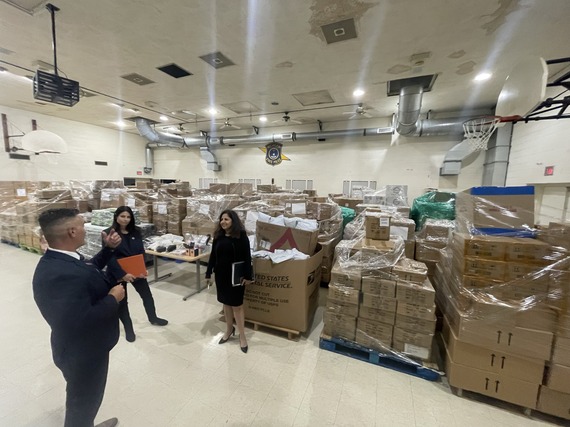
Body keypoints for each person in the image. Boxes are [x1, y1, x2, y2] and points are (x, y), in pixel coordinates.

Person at [32, 208, 125, 427]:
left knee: (85, 400)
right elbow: (81, 320)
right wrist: (113, 298)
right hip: (84, 355)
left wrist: (108, 250)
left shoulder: (62, 260)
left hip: (82, 349)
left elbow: (87, 270)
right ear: (72, 231)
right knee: (82, 405)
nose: (86, 229)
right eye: (83, 225)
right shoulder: (60, 274)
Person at [105, 206, 168, 343]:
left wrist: (143, 268)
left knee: (147, 296)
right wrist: (123, 274)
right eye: (122, 216)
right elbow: (109, 257)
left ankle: (153, 318)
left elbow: (140, 251)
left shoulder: (136, 232)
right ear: (116, 217)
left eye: (128, 217)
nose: (125, 219)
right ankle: (129, 329)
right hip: (118, 273)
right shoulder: (108, 233)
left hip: (136, 270)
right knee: (122, 302)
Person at [205, 209, 253, 353]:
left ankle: (242, 336)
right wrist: (208, 273)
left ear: (233, 221)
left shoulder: (241, 236)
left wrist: (248, 276)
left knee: (237, 306)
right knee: (226, 303)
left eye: (226, 219)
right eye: (221, 219)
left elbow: (247, 256)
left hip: (236, 277)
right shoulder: (218, 236)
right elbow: (213, 255)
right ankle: (228, 330)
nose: (223, 222)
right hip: (221, 275)